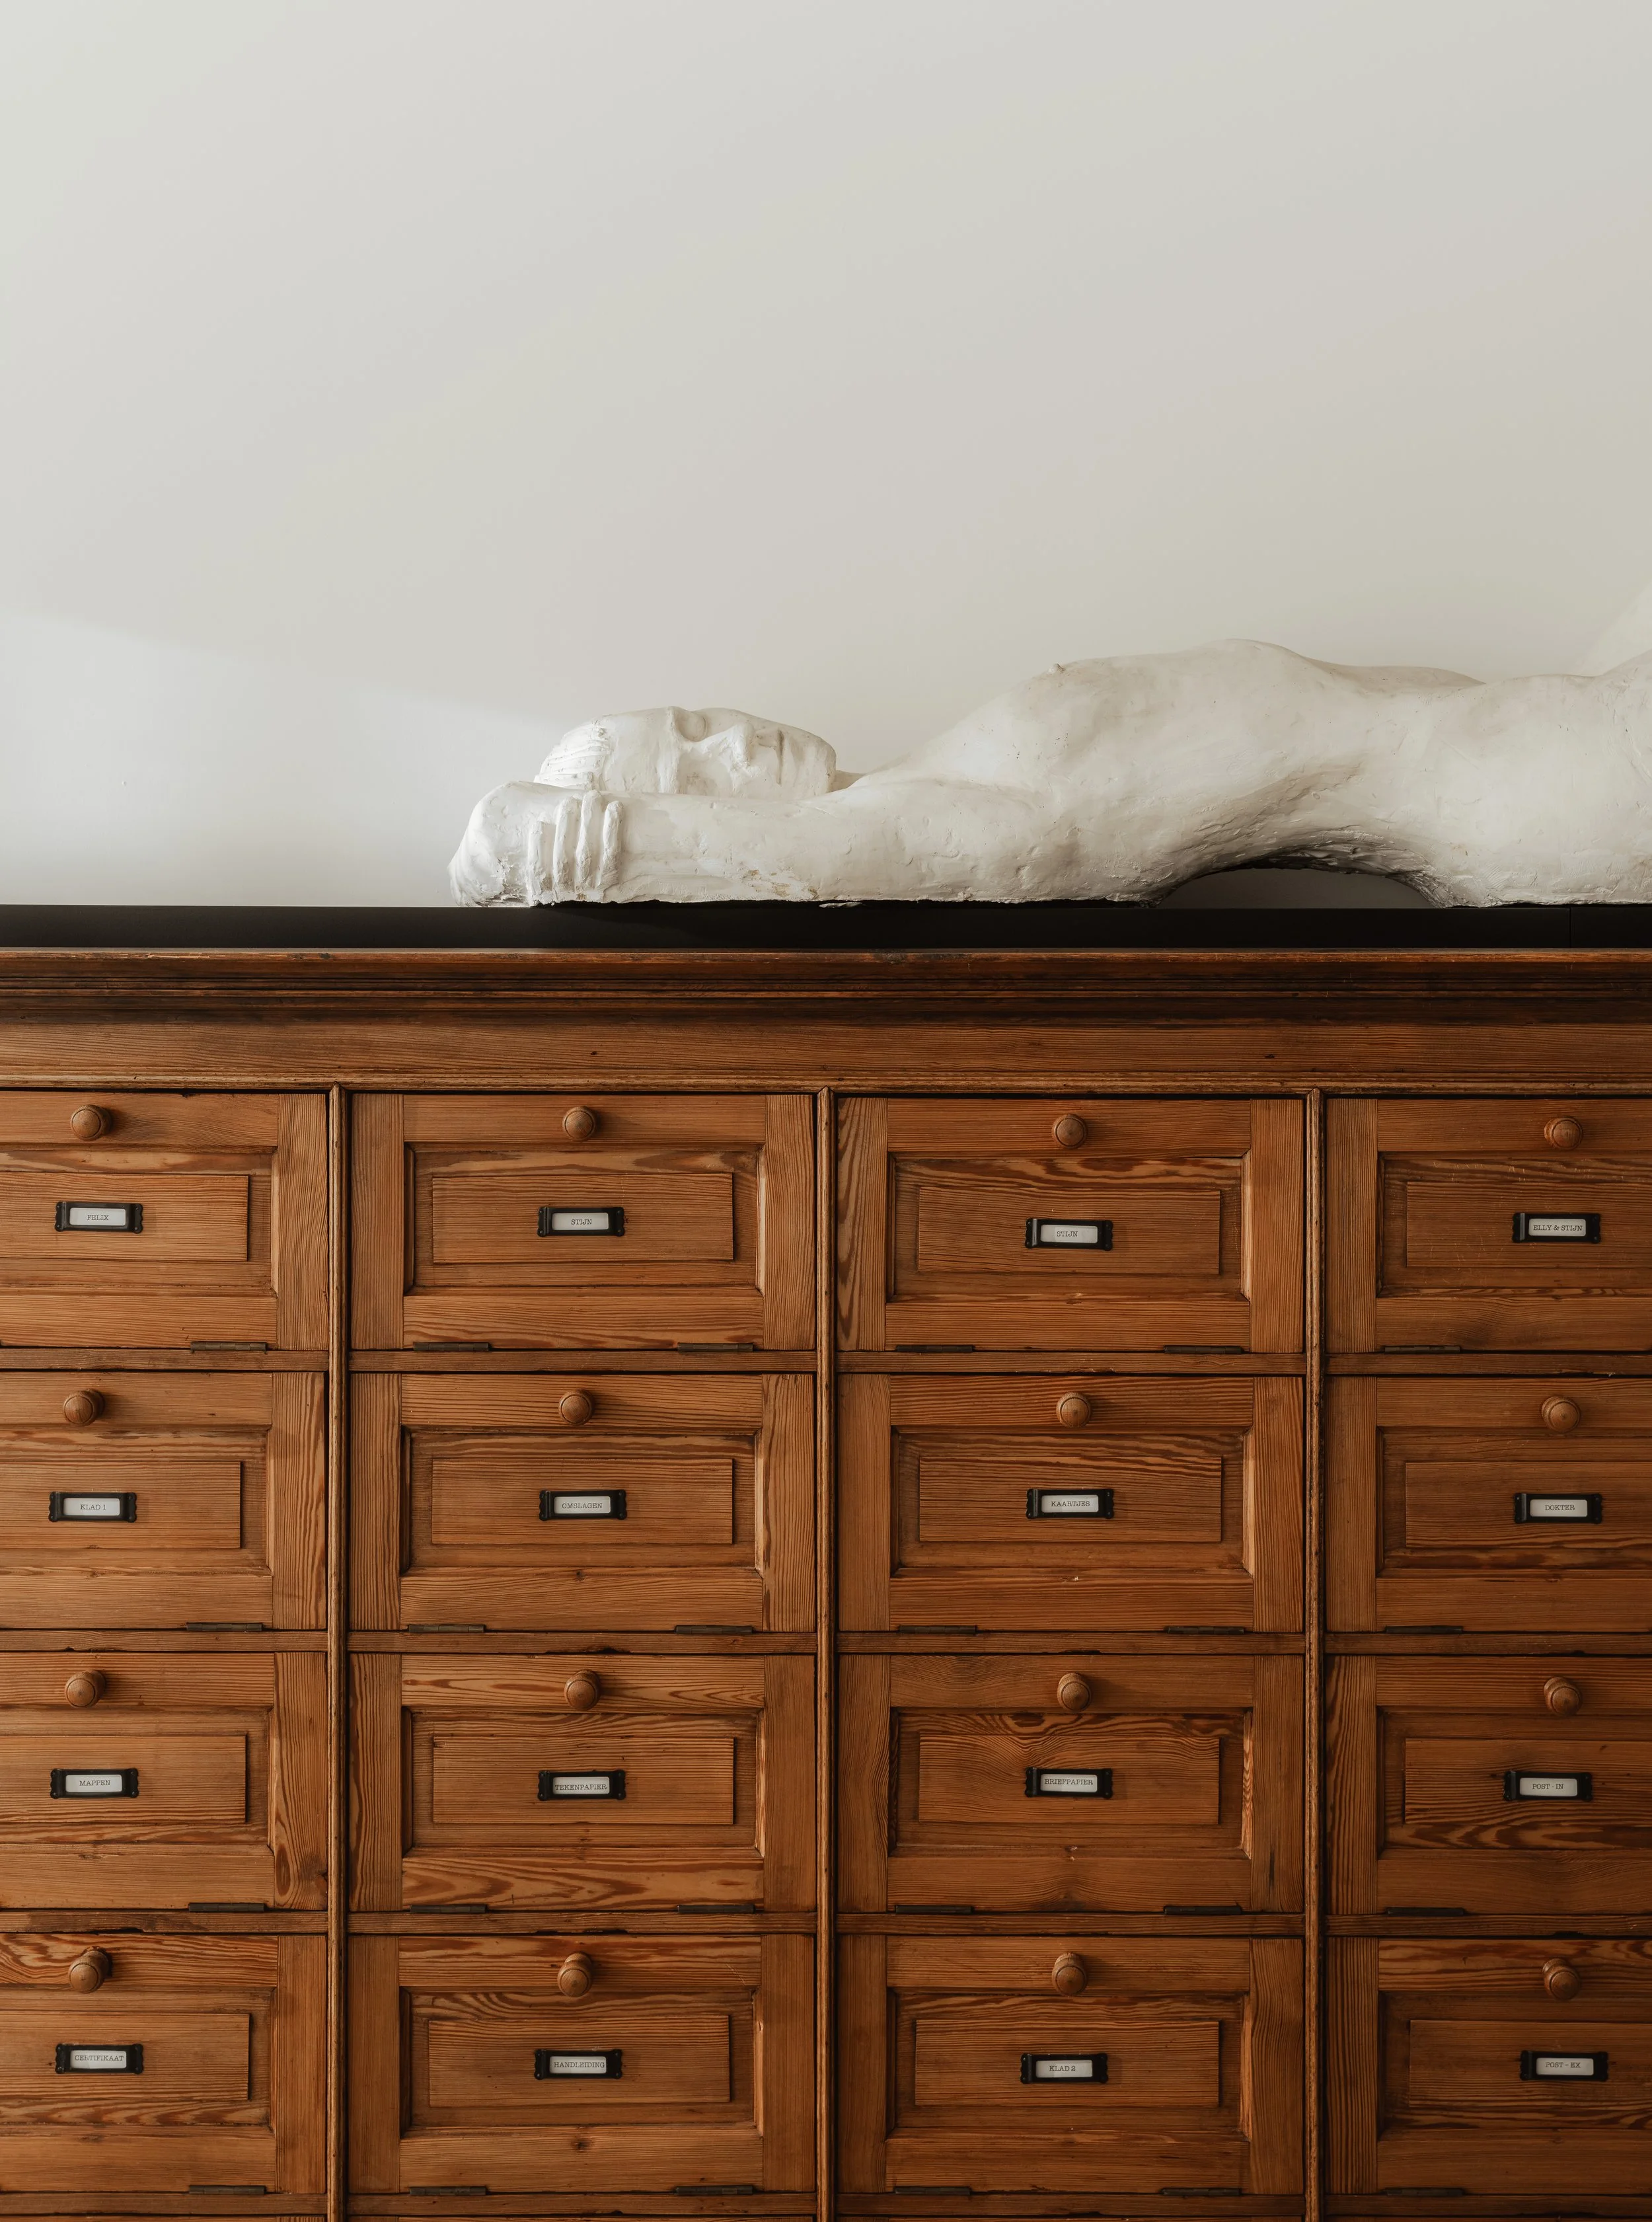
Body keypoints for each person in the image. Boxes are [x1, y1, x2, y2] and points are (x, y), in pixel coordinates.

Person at [449, 640, 1652, 906]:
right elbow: (811, 859)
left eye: (699, 716)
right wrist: (546, 834)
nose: (733, 743)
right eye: (694, 769)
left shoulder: (946, 754)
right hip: (1548, 789)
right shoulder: (932, 821)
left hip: (1539, 720)